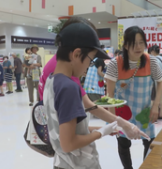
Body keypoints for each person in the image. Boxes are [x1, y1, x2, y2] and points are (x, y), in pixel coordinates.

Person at [43, 18, 149, 169]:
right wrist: (101, 133)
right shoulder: (69, 87)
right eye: (90, 59)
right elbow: (68, 144)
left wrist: (107, 128)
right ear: (76, 54)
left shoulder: (52, 81)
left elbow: (66, 132)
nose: (88, 66)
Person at [105, 26, 162, 169]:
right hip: (123, 113)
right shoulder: (115, 64)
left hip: (145, 111)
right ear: (125, 45)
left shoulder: (152, 61)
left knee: (149, 142)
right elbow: (110, 95)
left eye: (141, 42)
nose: (138, 47)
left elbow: (160, 83)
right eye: (133, 43)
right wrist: (114, 122)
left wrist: (156, 106)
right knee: (124, 144)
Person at [150, 45, 162, 119]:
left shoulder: (155, 60)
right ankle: (161, 113)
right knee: (161, 97)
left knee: (155, 98)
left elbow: (156, 73)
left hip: (156, 81)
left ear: (153, 51)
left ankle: (156, 115)